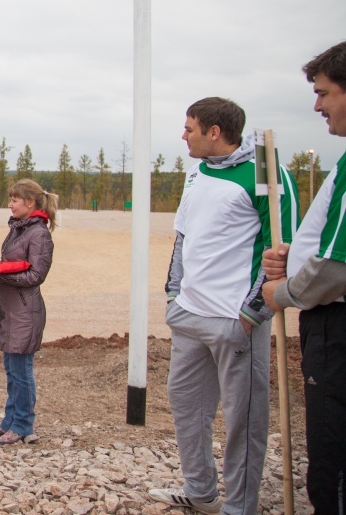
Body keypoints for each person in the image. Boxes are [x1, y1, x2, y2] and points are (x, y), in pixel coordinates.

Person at [148, 97, 298, 515]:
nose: (183, 136)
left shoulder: (268, 173)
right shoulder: (196, 171)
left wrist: (252, 314)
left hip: (234, 321)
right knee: (185, 404)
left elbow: (283, 248)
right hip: (189, 315)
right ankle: (200, 491)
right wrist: (175, 295)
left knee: (242, 422)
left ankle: (240, 508)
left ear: (215, 132)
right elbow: (183, 236)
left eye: (189, 128)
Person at [261, 41, 346, 515]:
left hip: (336, 329)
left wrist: (285, 290)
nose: (317, 105)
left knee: (332, 460)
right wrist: (299, 256)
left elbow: (337, 267)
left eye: (325, 93)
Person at [0, 178, 57, 446]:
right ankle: (9, 422)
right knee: (10, 369)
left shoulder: (39, 234)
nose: (10, 204)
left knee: (21, 371)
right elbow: (12, 264)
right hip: (9, 308)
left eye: (14, 200)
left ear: (31, 202)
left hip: (25, 312)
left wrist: (0, 274)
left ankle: (24, 425)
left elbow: (36, 274)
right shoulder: (17, 229)